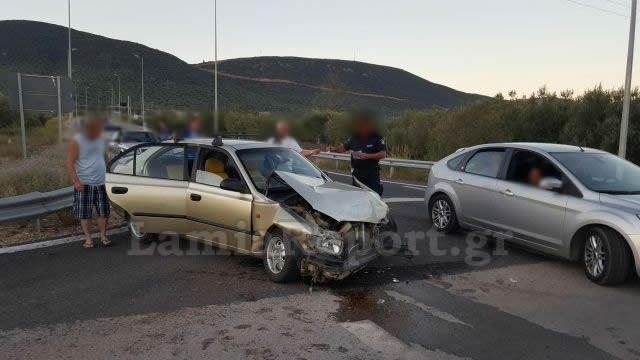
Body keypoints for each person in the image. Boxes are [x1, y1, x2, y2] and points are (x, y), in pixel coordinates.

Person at [66, 117, 112, 248]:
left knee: (104, 212)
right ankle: (88, 239)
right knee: (84, 213)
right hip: (84, 182)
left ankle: (103, 236)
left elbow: (105, 157)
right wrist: (76, 181)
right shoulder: (77, 141)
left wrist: (110, 172)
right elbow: (69, 163)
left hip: (102, 182)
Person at [327, 113, 387, 195]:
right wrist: (334, 149)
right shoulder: (354, 137)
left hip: (371, 172)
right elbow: (343, 148)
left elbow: (383, 154)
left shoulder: (377, 137)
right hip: (357, 172)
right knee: (357, 195)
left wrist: (367, 156)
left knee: (374, 194)